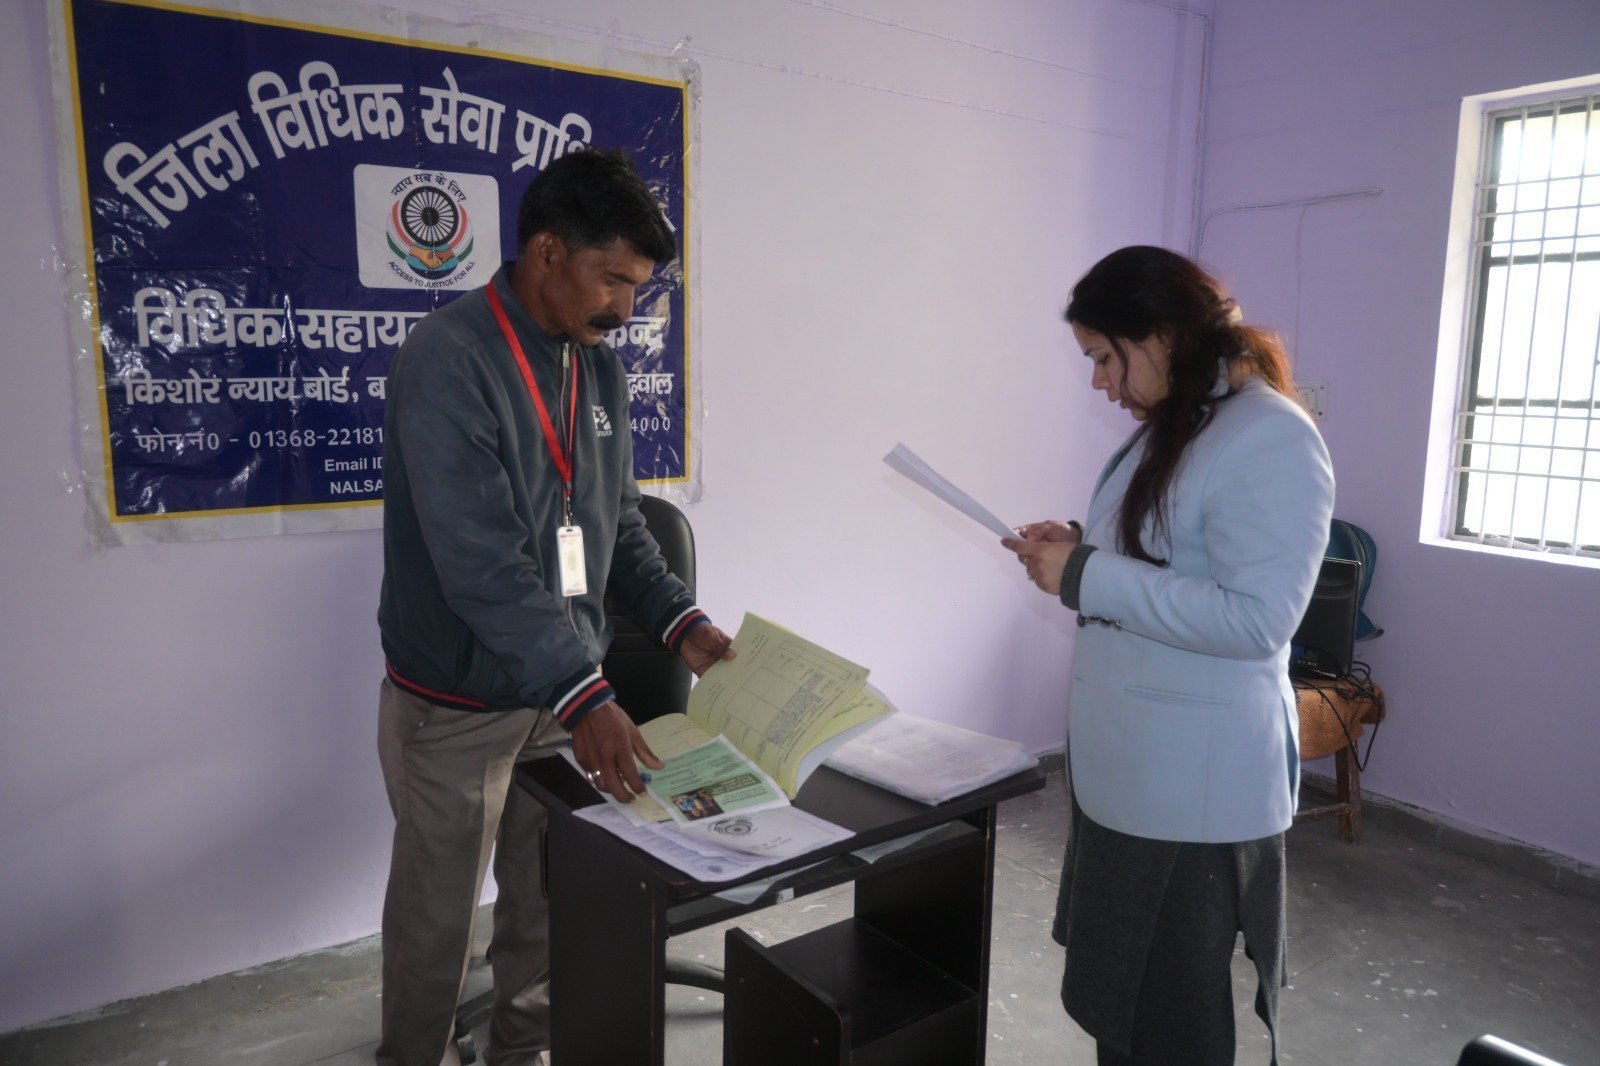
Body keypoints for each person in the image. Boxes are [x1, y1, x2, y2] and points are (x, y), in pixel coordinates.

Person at [374, 149, 735, 1066]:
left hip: (560, 696)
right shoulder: (449, 358)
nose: (626, 307)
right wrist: (588, 695)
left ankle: (521, 1050)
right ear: (546, 252)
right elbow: (481, 565)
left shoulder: (596, 367)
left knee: (544, 899)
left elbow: (618, 525)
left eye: (638, 287)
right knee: (437, 923)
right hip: (459, 705)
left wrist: (682, 622)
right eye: (613, 278)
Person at [1001, 246, 1334, 1065]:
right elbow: (1174, 549)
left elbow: (1257, 619)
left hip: (1194, 790)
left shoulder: (1270, 436)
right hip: (1137, 772)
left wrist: (1086, 574)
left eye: (1103, 357)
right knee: (1127, 1000)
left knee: (1172, 1018)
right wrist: (1078, 544)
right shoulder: (1183, 423)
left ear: (1159, 335)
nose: (1099, 382)